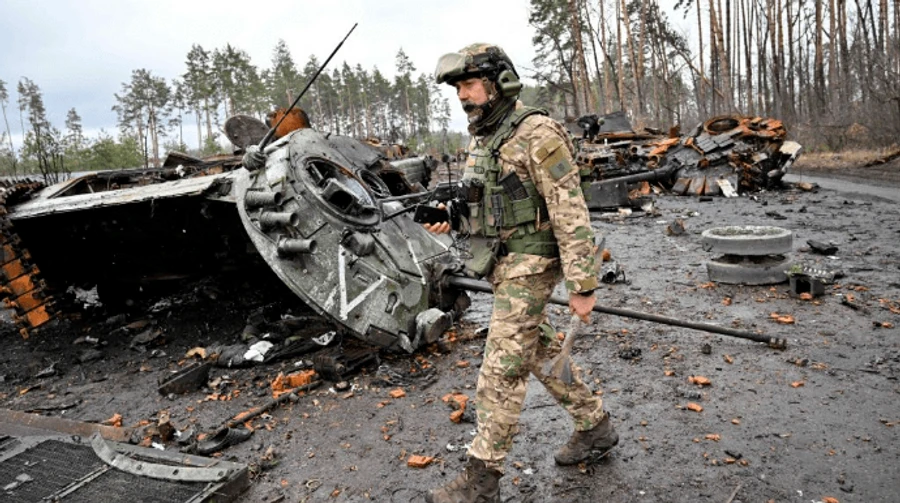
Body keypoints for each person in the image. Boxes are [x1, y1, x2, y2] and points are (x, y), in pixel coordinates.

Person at [424, 43, 618, 503]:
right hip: (504, 262)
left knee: (501, 369)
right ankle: (594, 426)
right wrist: (450, 216)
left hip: (532, 263)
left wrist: (583, 284)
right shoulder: (485, 136)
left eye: (470, 84)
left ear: (499, 83)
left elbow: (570, 211)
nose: (462, 95)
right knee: (538, 351)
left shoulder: (537, 132)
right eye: (458, 88)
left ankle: (482, 479)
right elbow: (490, 205)